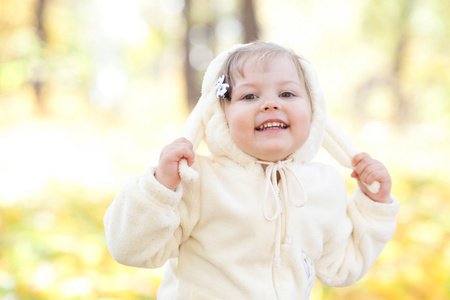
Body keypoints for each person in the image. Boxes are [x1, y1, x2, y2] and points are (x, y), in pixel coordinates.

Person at [104, 41, 399, 299]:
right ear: (222, 115)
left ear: (314, 110)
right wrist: (159, 190)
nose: (270, 104)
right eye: (249, 96)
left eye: (287, 94)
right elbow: (130, 249)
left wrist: (375, 205)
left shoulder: (325, 186)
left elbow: (342, 267)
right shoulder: (198, 181)